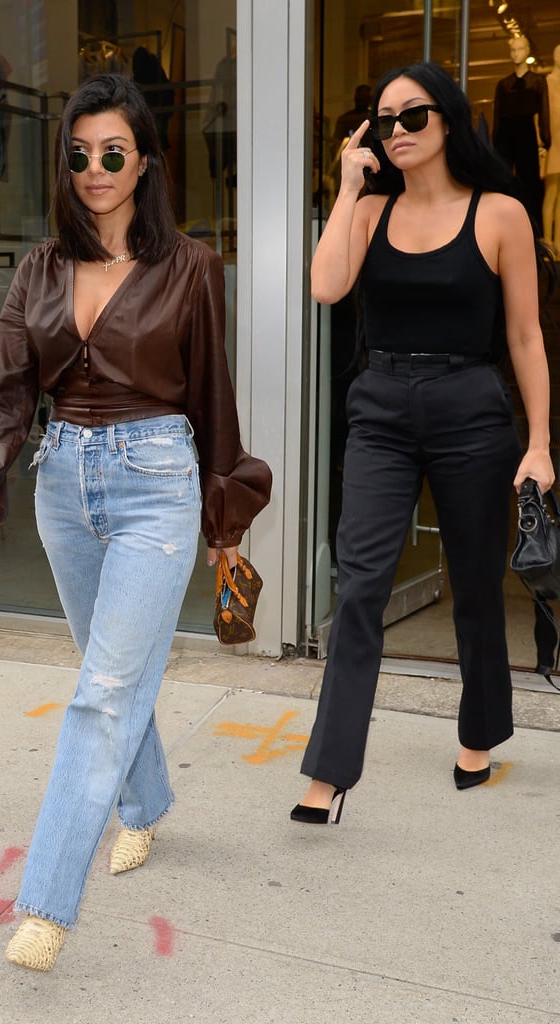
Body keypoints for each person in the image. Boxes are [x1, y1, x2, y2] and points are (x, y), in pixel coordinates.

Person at [0, 73, 271, 970]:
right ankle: (146, 802)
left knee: (101, 696)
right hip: (63, 483)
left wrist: (225, 524)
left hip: (157, 477)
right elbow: (8, 393)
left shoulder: (190, 267)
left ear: (146, 161)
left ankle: (45, 903)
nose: (95, 170)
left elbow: (213, 397)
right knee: (108, 675)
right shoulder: (39, 267)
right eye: (79, 154)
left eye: (113, 153)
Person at [292, 61, 554, 826]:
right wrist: (346, 187)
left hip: (471, 405)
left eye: (413, 116)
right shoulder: (368, 212)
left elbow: (527, 337)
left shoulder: (500, 212)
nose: (396, 131)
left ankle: (480, 734)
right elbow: (325, 286)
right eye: (383, 119)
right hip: (380, 406)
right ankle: (329, 773)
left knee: (476, 585)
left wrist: (539, 444)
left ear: (448, 122)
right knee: (361, 582)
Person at [493, 36, 551, 233]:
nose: (516, 53)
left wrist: (545, 140)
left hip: (526, 134)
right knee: (504, 180)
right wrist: (495, 144)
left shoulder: (538, 82)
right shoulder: (503, 84)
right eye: (513, 50)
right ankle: (504, 226)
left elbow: (544, 113)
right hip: (505, 137)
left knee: (530, 182)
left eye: (520, 49)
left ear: (527, 52)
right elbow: (497, 116)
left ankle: (532, 230)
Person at [542, 44, 560, 255]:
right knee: (551, 191)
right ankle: (547, 238)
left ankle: (557, 239)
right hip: (552, 142)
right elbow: (541, 115)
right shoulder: (546, 82)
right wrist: (541, 142)